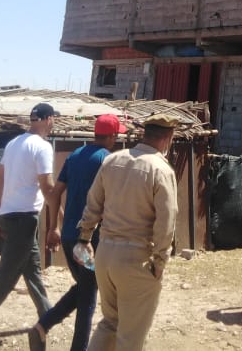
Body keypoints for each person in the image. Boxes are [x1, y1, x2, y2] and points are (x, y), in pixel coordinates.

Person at [75, 113, 179, 350]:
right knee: (130, 336)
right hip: (136, 258)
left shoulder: (113, 160)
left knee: (110, 323)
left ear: (145, 134)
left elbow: (93, 204)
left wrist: (85, 237)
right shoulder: (161, 169)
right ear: (167, 138)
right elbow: (166, 220)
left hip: (105, 254)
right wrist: (160, 260)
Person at [0, 102, 61, 347]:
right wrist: (56, 224)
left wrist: (1, 213)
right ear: (48, 119)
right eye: (53, 119)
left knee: (32, 270)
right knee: (4, 279)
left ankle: (47, 317)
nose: (53, 123)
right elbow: (48, 188)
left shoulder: (15, 143)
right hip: (24, 219)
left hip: (12, 216)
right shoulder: (42, 146)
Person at [28, 113, 127, 351]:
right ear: (112, 136)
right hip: (90, 239)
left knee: (85, 288)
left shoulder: (75, 156)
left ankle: (42, 327)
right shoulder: (107, 160)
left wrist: (53, 227)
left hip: (70, 238)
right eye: (116, 135)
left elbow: (54, 193)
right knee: (88, 296)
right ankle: (54, 332)